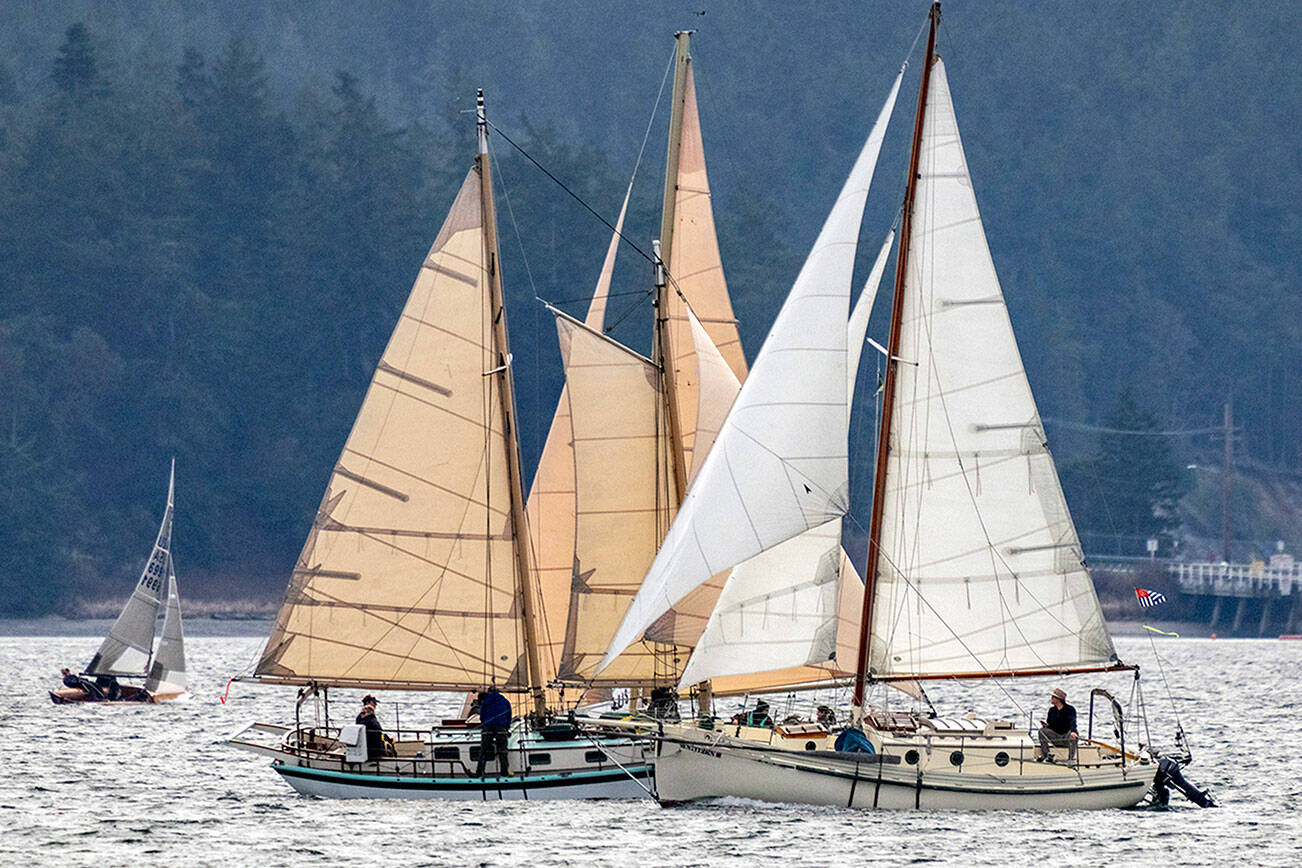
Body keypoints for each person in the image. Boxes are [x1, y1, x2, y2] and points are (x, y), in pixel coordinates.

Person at [473, 687, 512, 777]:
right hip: (501, 728)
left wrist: (484, 725)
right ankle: (504, 772)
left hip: (487, 728)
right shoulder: (505, 701)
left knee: (484, 751)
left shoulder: (486, 701)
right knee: (503, 751)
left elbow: (482, 716)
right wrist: (506, 728)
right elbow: (508, 717)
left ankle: (479, 772)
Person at [1037, 687, 1078, 762]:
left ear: (1058, 699)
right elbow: (1051, 725)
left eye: (1053, 697)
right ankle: (1046, 755)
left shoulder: (1070, 709)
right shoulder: (1051, 710)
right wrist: (1046, 726)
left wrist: (1073, 731)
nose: (1051, 699)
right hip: (1055, 736)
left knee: (1073, 734)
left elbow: (1073, 722)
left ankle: (1071, 758)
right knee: (1041, 731)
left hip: (1066, 736)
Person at [356, 695, 385, 760]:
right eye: (374, 702)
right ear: (367, 703)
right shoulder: (365, 719)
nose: (376, 704)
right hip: (370, 749)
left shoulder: (369, 720)